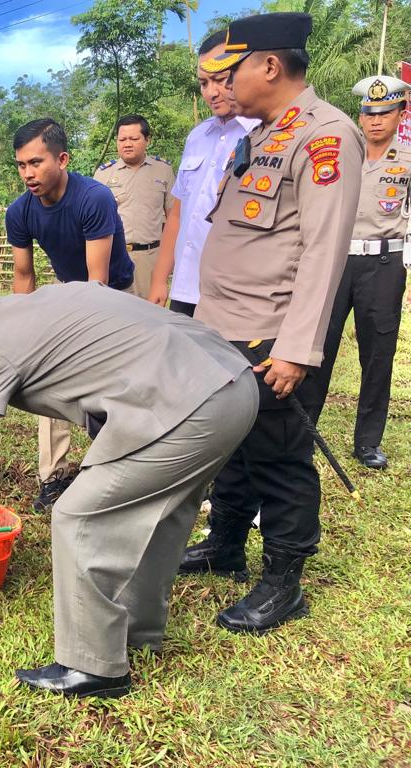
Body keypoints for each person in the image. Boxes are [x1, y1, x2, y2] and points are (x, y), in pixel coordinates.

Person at [0, 273, 258, 699]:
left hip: (188, 405)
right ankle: (137, 629)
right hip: (234, 385)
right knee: (166, 510)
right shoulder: (50, 300)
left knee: (78, 515)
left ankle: (92, 666)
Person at [179, 12, 363, 634]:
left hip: (271, 333)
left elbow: (323, 250)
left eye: (231, 71)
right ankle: (226, 543)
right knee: (231, 441)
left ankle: (284, 579)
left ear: (269, 66)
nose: (223, 85)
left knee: (281, 455)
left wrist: (296, 349)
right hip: (222, 323)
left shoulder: (326, 136)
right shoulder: (260, 133)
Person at [4, 118, 135, 511]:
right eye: (21, 165)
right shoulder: (20, 212)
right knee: (48, 380)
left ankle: (122, 468)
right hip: (69, 294)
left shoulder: (93, 198)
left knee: (119, 387)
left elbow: (98, 284)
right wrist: (23, 332)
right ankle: (54, 476)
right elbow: (23, 277)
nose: (28, 173)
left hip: (116, 295)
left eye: (36, 163)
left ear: (62, 159)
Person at [302, 75, 411, 469]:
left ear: (400, 114)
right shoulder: (340, 151)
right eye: (369, 113)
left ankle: (367, 442)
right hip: (335, 261)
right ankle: (305, 434)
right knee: (317, 346)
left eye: (384, 112)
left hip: (384, 264)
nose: (375, 121)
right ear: (360, 116)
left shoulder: (408, 158)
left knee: (378, 353)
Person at [147, 32, 261, 316]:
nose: (211, 92)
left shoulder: (263, 134)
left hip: (235, 294)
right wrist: (160, 280)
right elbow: (178, 212)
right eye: (204, 83)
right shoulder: (197, 137)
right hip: (186, 287)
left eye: (221, 80)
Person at [93, 114, 175, 300]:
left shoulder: (163, 170)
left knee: (150, 316)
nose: (127, 144)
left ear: (147, 140)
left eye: (134, 138)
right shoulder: (104, 174)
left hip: (150, 258)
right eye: (122, 139)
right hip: (114, 257)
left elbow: (174, 217)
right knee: (113, 314)